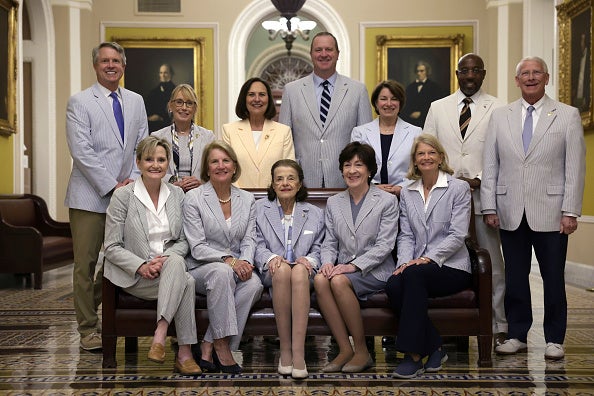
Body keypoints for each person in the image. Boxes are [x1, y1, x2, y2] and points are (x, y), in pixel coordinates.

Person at [481, 56, 586, 360]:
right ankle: (517, 334)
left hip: (552, 211)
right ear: (517, 81)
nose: (530, 77)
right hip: (509, 209)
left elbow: (575, 167)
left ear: (546, 77)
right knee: (514, 276)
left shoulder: (566, 115)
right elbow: (490, 164)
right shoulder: (501, 116)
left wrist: (571, 211)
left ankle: (554, 338)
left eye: (536, 72)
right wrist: (489, 204)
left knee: (553, 276)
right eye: (524, 73)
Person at [65, 42, 148, 351]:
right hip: (89, 197)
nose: (110, 65)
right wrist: (114, 185)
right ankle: (88, 329)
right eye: (104, 61)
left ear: (123, 66)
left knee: (119, 262)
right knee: (84, 265)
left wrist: (134, 183)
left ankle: (102, 312)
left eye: (116, 60)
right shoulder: (80, 102)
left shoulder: (136, 101)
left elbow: (144, 146)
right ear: (95, 65)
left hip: (126, 197)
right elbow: (82, 152)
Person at [423, 53, 508, 348]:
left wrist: (479, 179)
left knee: (491, 261)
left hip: (485, 194)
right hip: (445, 195)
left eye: (476, 70)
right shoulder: (438, 107)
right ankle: (447, 326)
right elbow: (428, 149)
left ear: (483, 74)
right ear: (457, 74)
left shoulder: (499, 108)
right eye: (465, 70)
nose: (470, 75)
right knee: (445, 256)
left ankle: (497, 324)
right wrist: (446, 178)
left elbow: (502, 150)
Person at [103, 136, 201, 375]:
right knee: (186, 281)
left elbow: (183, 240)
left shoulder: (177, 196)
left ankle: (161, 332)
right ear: (138, 162)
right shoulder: (123, 196)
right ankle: (184, 353)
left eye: (161, 159)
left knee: (178, 265)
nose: (155, 165)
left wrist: (165, 259)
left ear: (168, 163)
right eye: (149, 159)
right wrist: (141, 266)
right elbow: (111, 246)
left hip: (168, 269)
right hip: (135, 277)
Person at [385, 134, 472, 379]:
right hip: (416, 267)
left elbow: (458, 235)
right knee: (394, 283)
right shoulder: (408, 191)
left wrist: (428, 258)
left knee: (414, 275)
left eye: (431, 153)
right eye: (421, 154)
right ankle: (434, 346)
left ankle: (412, 356)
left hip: (452, 266)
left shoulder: (458, 188)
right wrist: (403, 263)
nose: (426, 157)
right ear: (414, 160)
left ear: (441, 157)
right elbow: (405, 236)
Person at [314, 142, 399, 373]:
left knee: (339, 280)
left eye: (359, 165)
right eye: (347, 165)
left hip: (376, 270)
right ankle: (345, 349)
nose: (352, 170)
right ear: (341, 170)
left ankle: (361, 350)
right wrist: (328, 263)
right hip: (342, 268)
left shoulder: (387, 201)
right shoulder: (334, 202)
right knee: (321, 279)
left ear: (370, 170)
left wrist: (352, 267)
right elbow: (329, 242)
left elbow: (385, 246)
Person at [184, 141, 264, 374]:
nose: (221, 165)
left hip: (238, 265)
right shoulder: (194, 198)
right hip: (202, 267)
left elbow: (250, 239)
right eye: (214, 161)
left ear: (234, 166)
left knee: (254, 284)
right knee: (221, 273)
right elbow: (197, 246)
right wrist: (230, 261)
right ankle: (223, 347)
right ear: (207, 169)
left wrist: (247, 261)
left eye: (225, 160)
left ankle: (209, 342)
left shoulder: (247, 199)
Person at [254, 159, 325, 379]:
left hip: (304, 273)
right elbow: (254, 242)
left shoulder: (314, 212)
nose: (285, 183)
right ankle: (285, 351)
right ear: (273, 185)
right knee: (284, 270)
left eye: (291, 178)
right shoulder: (258, 209)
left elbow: (321, 246)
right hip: (272, 270)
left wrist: (311, 261)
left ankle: (299, 353)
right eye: (279, 179)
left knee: (298, 271)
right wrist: (271, 257)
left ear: (300, 183)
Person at [279, 32, 373, 188]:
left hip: (346, 180)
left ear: (337, 54)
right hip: (302, 180)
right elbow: (284, 140)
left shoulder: (357, 90)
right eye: (318, 50)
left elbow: (365, 142)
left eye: (329, 49)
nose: (324, 54)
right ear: (311, 54)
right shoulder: (291, 91)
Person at [351, 80, 422, 196]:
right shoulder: (360, 133)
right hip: (369, 196)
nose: (389, 104)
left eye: (394, 99)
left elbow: (420, 168)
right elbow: (354, 167)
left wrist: (402, 188)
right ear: (376, 103)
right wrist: (372, 187)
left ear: (400, 103)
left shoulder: (415, 132)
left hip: (405, 196)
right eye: (383, 99)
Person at [222, 77, 295, 188]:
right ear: (244, 99)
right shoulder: (229, 130)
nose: (257, 99)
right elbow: (226, 169)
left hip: (274, 199)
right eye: (251, 94)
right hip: (238, 200)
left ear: (269, 99)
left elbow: (288, 171)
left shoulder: (283, 131)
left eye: (262, 94)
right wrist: (240, 197)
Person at [152, 84, 215, 192]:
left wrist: (200, 182)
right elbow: (150, 169)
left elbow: (215, 169)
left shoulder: (208, 137)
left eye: (189, 103)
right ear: (170, 106)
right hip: (167, 195)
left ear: (195, 109)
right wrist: (171, 182)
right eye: (179, 102)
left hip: (199, 196)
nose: (184, 107)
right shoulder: (156, 137)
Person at [401, 61, 445, 128]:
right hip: (411, 123)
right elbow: (405, 104)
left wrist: (421, 114)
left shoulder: (434, 87)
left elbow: (436, 106)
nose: (419, 73)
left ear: (427, 72)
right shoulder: (410, 87)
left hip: (427, 122)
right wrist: (410, 114)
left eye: (422, 71)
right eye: (417, 71)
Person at [146, 63, 176, 132]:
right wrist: (150, 117)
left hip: (169, 126)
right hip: (154, 127)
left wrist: (160, 117)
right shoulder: (153, 92)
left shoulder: (176, 91)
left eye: (165, 73)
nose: (163, 75)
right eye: (161, 73)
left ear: (171, 74)